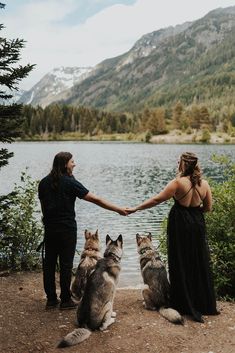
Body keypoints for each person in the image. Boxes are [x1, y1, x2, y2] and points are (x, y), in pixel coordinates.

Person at [126, 152, 218, 322]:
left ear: (184, 164)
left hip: (180, 224)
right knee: (197, 260)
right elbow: (208, 208)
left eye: (179, 161)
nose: (177, 162)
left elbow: (156, 200)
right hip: (197, 223)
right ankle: (201, 301)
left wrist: (135, 208)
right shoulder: (204, 184)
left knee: (180, 260)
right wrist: (193, 214)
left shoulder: (177, 183)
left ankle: (183, 303)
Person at [38, 151, 127, 310]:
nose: (75, 164)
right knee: (65, 265)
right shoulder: (70, 183)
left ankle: (51, 300)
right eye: (72, 161)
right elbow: (96, 199)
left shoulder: (43, 183)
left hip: (50, 229)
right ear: (65, 164)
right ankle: (65, 300)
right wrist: (118, 209)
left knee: (49, 264)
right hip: (66, 230)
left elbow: (44, 207)